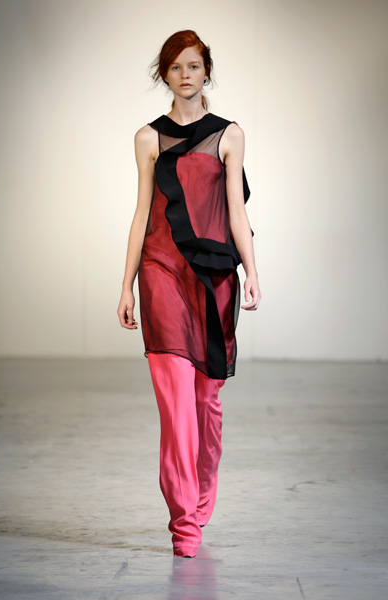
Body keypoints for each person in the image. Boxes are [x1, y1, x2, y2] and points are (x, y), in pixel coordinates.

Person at [117, 30, 261, 558]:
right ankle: (183, 522)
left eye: (194, 66)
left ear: (206, 72)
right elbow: (141, 214)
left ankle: (200, 499)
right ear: (164, 74)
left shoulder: (229, 135)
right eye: (176, 67)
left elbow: (236, 211)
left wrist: (252, 270)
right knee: (175, 399)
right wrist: (126, 283)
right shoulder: (147, 138)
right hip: (160, 269)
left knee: (206, 399)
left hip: (213, 275)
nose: (185, 75)